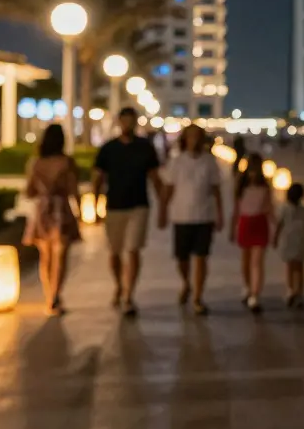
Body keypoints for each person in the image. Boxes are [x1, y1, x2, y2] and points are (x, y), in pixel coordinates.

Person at [92, 107, 164, 317]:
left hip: (139, 205)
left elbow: (155, 177)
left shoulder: (145, 147)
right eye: (124, 120)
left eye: (131, 121)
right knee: (114, 253)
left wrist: (163, 207)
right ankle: (119, 285)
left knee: (133, 250)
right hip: (114, 206)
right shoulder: (108, 149)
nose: (127, 125)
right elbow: (98, 178)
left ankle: (128, 295)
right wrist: (94, 207)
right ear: (119, 122)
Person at [159, 124, 223, 315]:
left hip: (204, 216)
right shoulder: (177, 162)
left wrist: (220, 214)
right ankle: (186, 283)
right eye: (190, 136)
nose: (194, 140)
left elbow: (216, 190)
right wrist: (162, 210)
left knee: (202, 257)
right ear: (184, 139)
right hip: (182, 216)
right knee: (182, 258)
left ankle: (198, 296)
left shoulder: (209, 162)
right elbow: (168, 188)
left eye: (197, 136)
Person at [21, 124, 82, 316]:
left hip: (42, 210)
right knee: (60, 254)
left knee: (45, 256)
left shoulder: (36, 163)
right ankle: (56, 295)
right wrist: (80, 211)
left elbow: (29, 191)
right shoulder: (66, 162)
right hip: (61, 208)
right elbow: (74, 189)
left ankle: (49, 296)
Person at [233, 158, 274, 313]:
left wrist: (277, 227)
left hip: (259, 223)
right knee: (246, 260)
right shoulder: (241, 187)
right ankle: (248, 287)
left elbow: (269, 208)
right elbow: (237, 209)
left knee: (256, 262)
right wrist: (232, 227)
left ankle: (255, 294)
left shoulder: (265, 187)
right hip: (246, 222)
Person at [273, 182, 304, 309]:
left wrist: (275, 239)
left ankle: (291, 290)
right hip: (300, 241)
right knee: (299, 268)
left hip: (289, 241)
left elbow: (279, 225)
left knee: (290, 267)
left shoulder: (284, 209)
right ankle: (298, 292)